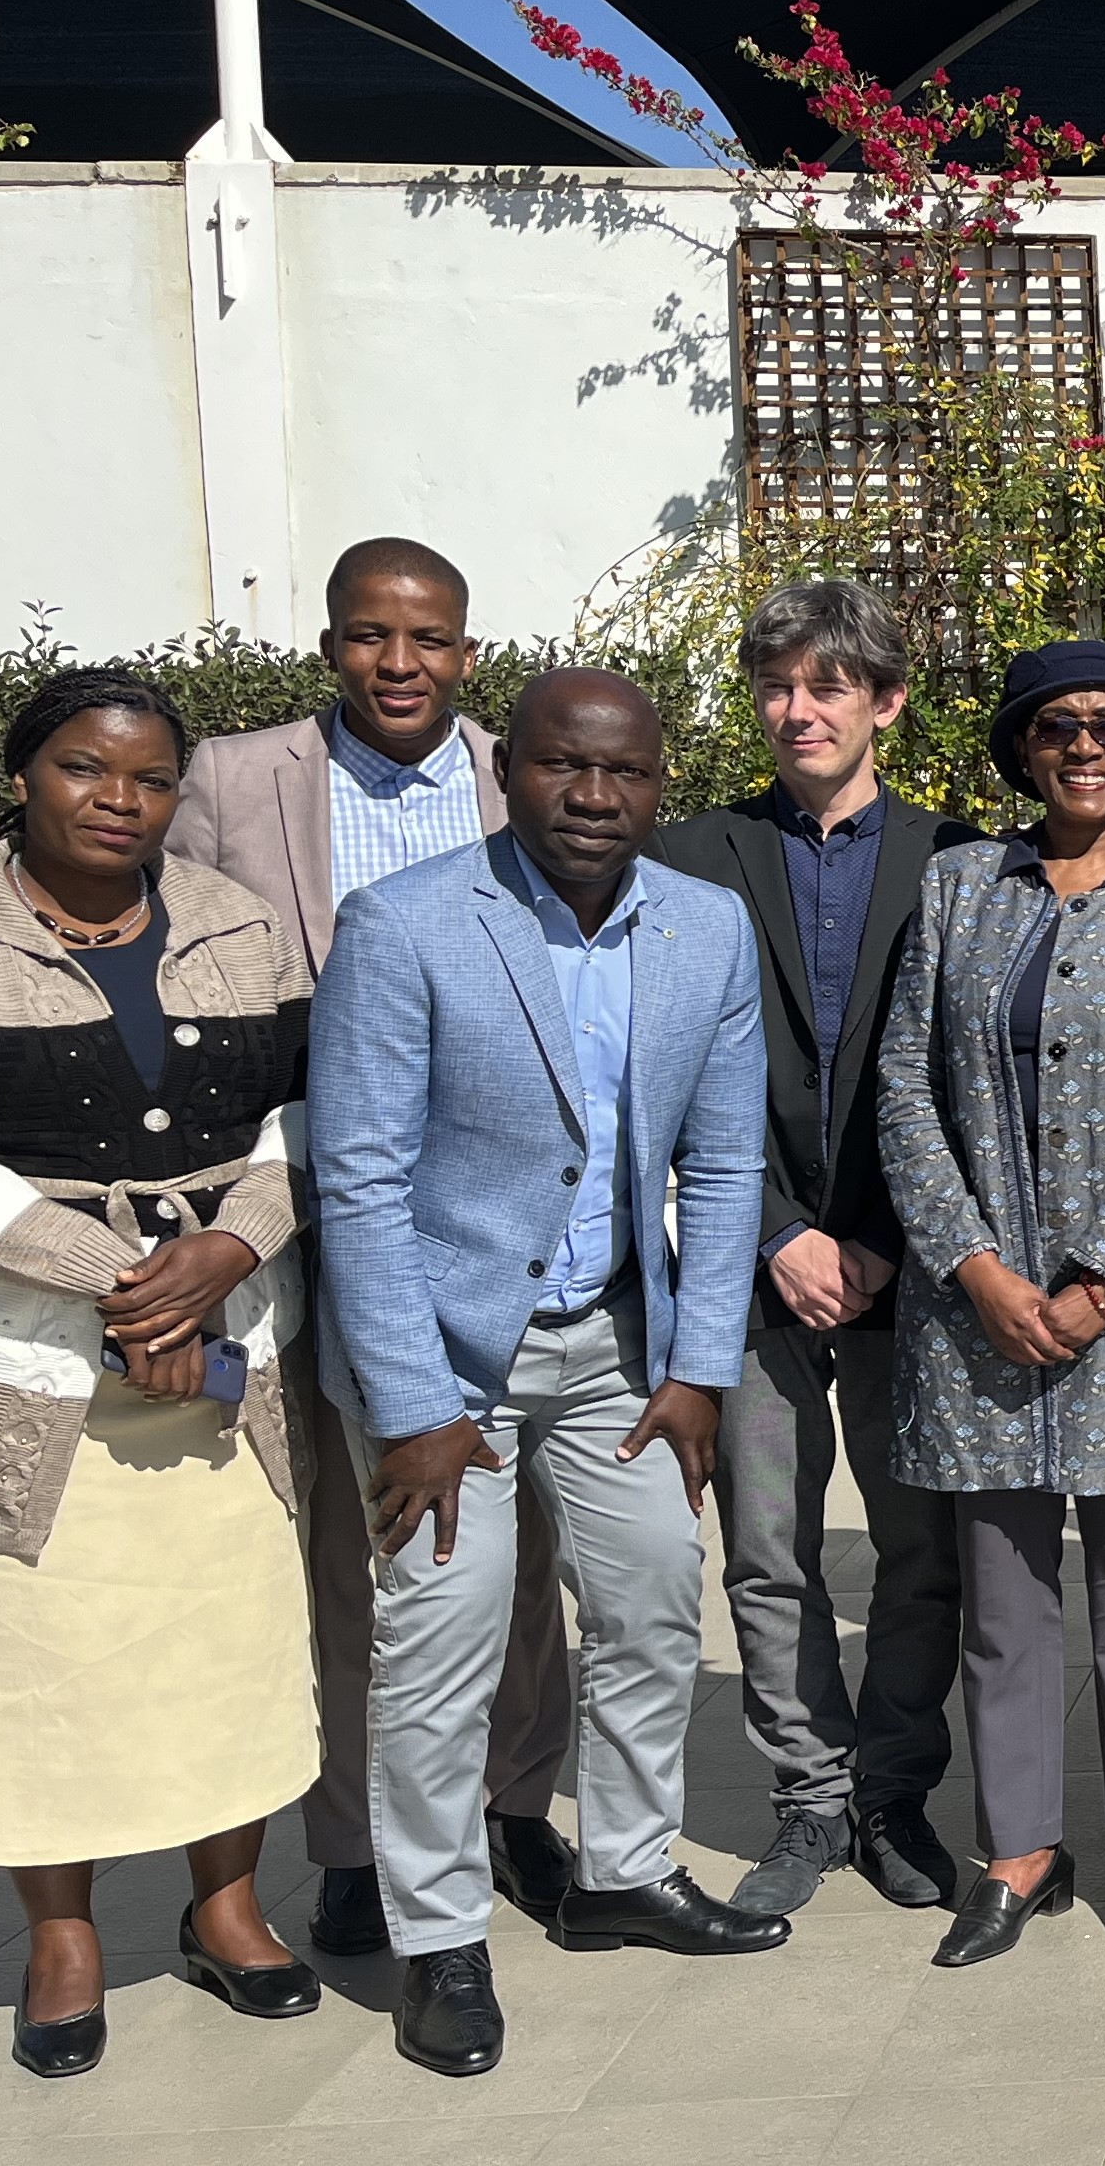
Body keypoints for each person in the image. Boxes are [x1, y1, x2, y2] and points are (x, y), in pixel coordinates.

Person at [313, 668, 786, 2079]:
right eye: (564, 769)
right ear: (507, 770)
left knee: (650, 1606)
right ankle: (440, 1936)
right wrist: (414, 1409)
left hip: (617, 1349)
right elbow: (360, 1177)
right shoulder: (404, 924)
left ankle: (626, 1870)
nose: (595, 798)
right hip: (446, 1357)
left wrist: (701, 1364)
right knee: (443, 1646)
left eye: (626, 773)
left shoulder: (704, 927)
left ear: (659, 781)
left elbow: (726, 1155)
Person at [163, 536, 575, 1958]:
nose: (398, 663)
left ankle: (518, 1805)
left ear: (468, 650)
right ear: (330, 644)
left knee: (516, 1541)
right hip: (299, 1207)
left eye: (428, 638)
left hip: (492, 1223)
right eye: (368, 635)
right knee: (355, 1541)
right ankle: (352, 1841)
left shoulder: (507, 775)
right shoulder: (232, 779)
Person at [0, 673, 318, 2079]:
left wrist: (230, 1247)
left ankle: (227, 1905)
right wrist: (108, 1276)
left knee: (223, 1637)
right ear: (22, 772)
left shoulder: (236, 918)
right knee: (40, 1651)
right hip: (28, 1352)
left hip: (228, 1335)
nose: (117, 798)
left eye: (150, 777)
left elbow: (307, 1098)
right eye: (83, 768)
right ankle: (63, 1935)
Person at [878, 642, 1105, 1970]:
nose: (1084, 743)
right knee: (1003, 1594)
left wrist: (1104, 1279)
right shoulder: (959, 885)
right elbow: (905, 1087)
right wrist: (975, 1263)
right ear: (1023, 747)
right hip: (983, 1316)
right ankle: (1021, 1847)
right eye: (1057, 725)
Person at [651, 581, 982, 1919]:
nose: (799, 708)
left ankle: (893, 1792)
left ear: (884, 700)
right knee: (769, 1551)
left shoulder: (962, 857)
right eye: (779, 683)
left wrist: (895, 1239)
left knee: (920, 1554)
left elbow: (974, 1078)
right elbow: (660, 1069)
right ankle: (805, 1796)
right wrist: (779, 1229)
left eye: (829, 684)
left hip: (914, 1282)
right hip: (750, 1273)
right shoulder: (689, 854)